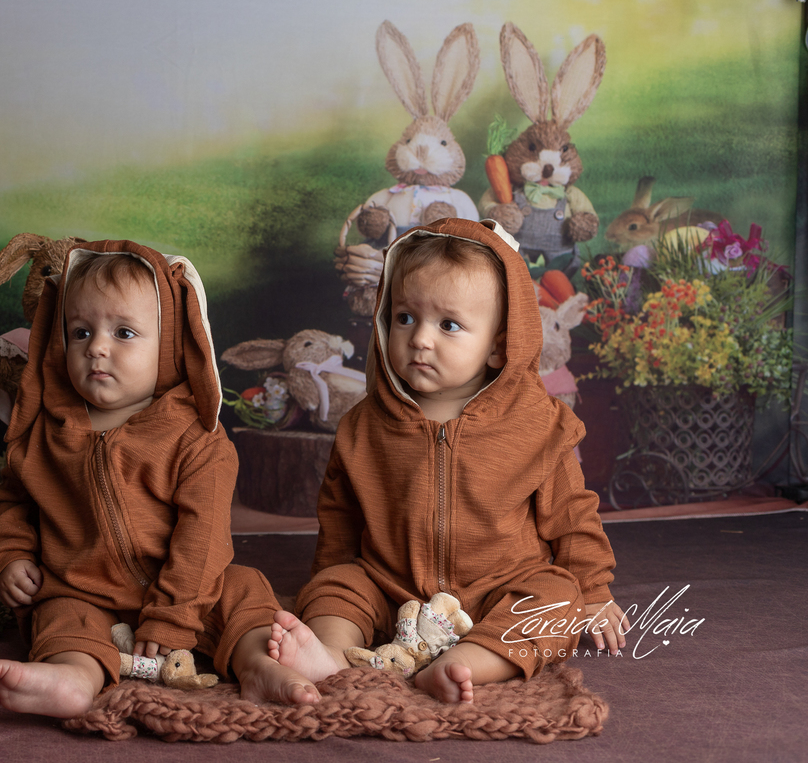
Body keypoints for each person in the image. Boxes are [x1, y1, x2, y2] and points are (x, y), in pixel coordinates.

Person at [268, 217, 628, 704]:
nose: (420, 338)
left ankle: (469, 662)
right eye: (404, 317)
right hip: (391, 589)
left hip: (499, 591)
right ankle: (330, 654)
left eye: (449, 325)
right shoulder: (365, 425)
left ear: (499, 344)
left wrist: (596, 591)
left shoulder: (538, 424)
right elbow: (339, 519)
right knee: (337, 583)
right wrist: (332, 587)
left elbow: (573, 516)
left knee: (559, 598)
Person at [0, 240, 320, 718]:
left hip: (188, 590)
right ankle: (74, 677)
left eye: (123, 332)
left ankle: (257, 666)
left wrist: (174, 614)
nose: (96, 347)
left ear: (171, 346)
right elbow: (12, 502)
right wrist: (9, 555)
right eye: (80, 332)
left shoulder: (196, 438)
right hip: (84, 588)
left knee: (243, 591)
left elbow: (203, 535)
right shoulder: (49, 432)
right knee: (59, 616)